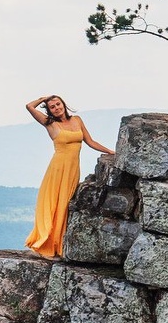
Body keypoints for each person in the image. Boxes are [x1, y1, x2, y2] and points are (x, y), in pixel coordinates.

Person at [24, 94, 114, 259]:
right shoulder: (50, 124)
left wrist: (110, 152)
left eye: (58, 104)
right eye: (52, 107)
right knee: (54, 204)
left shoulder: (77, 120)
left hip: (72, 171)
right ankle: (46, 244)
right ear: (49, 110)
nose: (56, 108)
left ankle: (59, 246)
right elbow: (29, 106)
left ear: (63, 104)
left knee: (65, 206)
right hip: (57, 170)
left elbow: (90, 141)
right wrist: (44, 98)